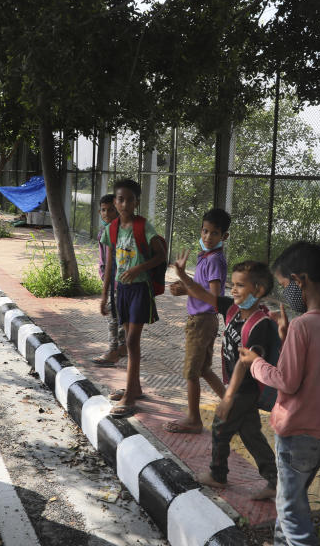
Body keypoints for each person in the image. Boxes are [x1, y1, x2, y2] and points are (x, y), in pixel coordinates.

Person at [237, 241, 320, 546]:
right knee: (292, 500)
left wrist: (256, 364)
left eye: (284, 286)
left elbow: (287, 380)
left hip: (296, 434)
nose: (285, 294)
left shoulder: (303, 326)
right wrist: (286, 339)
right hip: (319, 435)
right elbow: (313, 370)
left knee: (291, 511)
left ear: (300, 280)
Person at [173, 254, 281, 501]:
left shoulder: (259, 324)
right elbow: (202, 294)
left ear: (259, 290)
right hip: (238, 386)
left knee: (221, 428)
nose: (234, 290)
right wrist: (181, 275)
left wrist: (228, 397)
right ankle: (275, 481)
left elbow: (245, 362)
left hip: (245, 388)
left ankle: (218, 474)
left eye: (240, 285)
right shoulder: (233, 309)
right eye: (232, 285)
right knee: (251, 433)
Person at [99, 179, 166, 417]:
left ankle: (129, 396)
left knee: (131, 342)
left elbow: (160, 255)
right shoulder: (112, 229)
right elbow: (109, 266)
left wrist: (139, 269)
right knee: (128, 339)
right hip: (122, 291)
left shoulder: (143, 227)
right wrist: (105, 294)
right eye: (120, 199)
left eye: (129, 199)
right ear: (114, 201)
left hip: (140, 290)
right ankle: (134, 388)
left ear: (137, 202)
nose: (124, 203)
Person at [165, 208, 230, 434]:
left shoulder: (214, 260)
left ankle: (194, 419)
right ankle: (232, 406)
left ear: (224, 236)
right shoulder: (208, 257)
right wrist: (184, 280)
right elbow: (201, 287)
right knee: (203, 369)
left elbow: (213, 298)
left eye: (214, 233)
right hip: (204, 320)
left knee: (191, 372)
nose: (207, 237)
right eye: (205, 231)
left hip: (202, 321)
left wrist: (186, 288)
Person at [92, 194, 127, 367]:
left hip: (115, 281)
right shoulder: (106, 230)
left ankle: (113, 349)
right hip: (113, 280)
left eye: (111, 210)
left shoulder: (114, 231)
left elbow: (111, 263)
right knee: (119, 316)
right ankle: (122, 347)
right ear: (99, 212)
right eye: (104, 210)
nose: (107, 213)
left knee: (113, 317)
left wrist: (104, 293)